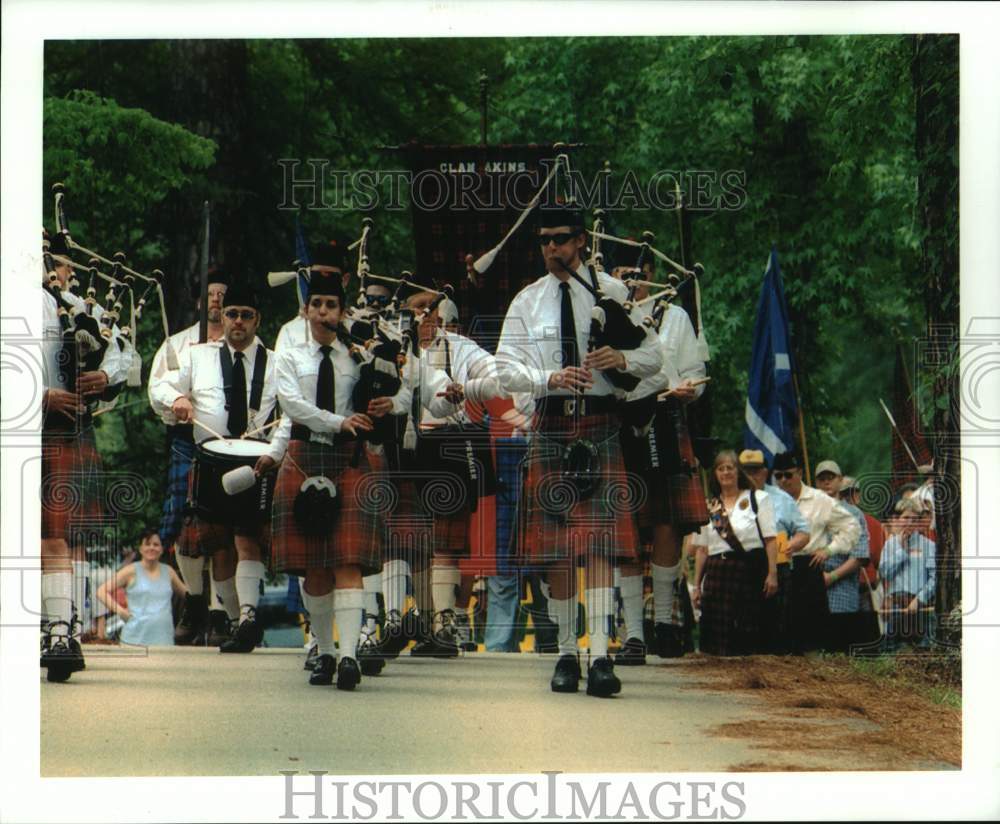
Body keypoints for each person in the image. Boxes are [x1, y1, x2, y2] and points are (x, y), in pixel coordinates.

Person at [495, 202, 662, 697]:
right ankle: (568, 653)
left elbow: (656, 359)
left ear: (581, 241)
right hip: (552, 422)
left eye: (562, 239)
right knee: (561, 554)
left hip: (601, 422)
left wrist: (623, 357)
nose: (552, 249)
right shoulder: (528, 301)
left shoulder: (611, 292)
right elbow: (503, 368)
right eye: (545, 240)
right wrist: (547, 377)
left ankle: (602, 657)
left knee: (602, 548)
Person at [268, 269, 413, 688]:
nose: (324, 313)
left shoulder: (360, 353)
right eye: (317, 305)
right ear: (306, 310)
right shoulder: (291, 355)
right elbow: (291, 405)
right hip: (304, 454)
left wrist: (391, 402)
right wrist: (338, 421)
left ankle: (349, 656)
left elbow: (405, 386)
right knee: (314, 565)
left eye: (332, 305)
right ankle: (326, 653)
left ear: (342, 311)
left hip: (349, 458)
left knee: (347, 561)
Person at [161, 283, 280, 653]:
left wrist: (277, 450)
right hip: (209, 455)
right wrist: (177, 397)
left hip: (257, 459)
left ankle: (246, 616)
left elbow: (291, 409)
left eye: (246, 315)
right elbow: (162, 385)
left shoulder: (277, 361)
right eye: (232, 314)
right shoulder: (198, 357)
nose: (238, 322)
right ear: (222, 317)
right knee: (216, 544)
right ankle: (231, 619)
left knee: (247, 539)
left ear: (257, 320)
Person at [40, 232, 129, 681]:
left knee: (58, 539)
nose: (65, 272)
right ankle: (56, 625)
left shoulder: (75, 307)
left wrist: (102, 374)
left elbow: (123, 355)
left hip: (61, 432)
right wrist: (40, 397)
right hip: (21, 426)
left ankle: (61, 629)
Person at [612, 262, 709, 665]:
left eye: (637, 269)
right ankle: (634, 633)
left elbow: (694, 373)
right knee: (625, 526)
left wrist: (689, 390)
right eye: (620, 269)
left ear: (650, 270)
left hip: (667, 419)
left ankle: (665, 622)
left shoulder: (675, 314)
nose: (630, 277)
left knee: (668, 522)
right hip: (617, 422)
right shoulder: (600, 313)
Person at [408, 286, 506, 656]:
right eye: (417, 309)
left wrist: (470, 387)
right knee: (411, 542)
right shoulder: (394, 345)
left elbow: (496, 375)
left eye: (431, 309)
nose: (425, 316)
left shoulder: (461, 348)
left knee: (446, 543)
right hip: (404, 448)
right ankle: (422, 620)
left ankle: (444, 624)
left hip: (449, 444)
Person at [148, 269, 229, 645]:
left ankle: (224, 612)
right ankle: (194, 604)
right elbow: (156, 389)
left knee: (229, 526)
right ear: (199, 301)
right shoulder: (177, 345)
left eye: (222, 295)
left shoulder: (241, 346)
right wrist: (176, 401)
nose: (216, 300)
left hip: (232, 443)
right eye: (210, 294)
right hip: (187, 441)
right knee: (184, 519)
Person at [690, 450, 778, 655]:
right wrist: (696, 586)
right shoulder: (709, 507)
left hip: (750, 571)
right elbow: (702, 549)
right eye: (721, 468)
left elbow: (771, 540)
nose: (726, 472)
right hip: (717, 573)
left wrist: (772, 573)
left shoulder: (758, 498)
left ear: (738, 472)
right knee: (717, 636)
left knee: (749, 629)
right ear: (715, 475)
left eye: (730, 467)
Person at [772, 452, 860, 653]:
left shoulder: (819, 499)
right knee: (781, 634)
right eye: (778, 476)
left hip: (807, 565)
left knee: (812, 635)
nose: (784, 480)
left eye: (788, 475)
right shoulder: (768, 500)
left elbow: (851, 527)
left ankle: (816, 680)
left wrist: (829, 550)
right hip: (777, 567)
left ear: (800, 473)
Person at [737, 449, 810, 653]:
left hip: (777, 564)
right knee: (747, 621)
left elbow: (804, 532)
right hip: (745, 565)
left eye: (756, 471)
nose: (752, 476)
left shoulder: (781, 498)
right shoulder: (733, 498)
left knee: (778, 621)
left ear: (765, 472)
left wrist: (788, 546)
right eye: (747, 471)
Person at [813, 460, 871, 653]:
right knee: (814, 649)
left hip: (842, 588)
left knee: (841, 651)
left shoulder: (854, 514)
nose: (827, 483)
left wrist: (832, 577)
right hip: (812, 587)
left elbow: (859, 556)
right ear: (816, 483)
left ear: (840, 481)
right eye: (822, 479)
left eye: (831, 478)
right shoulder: (807, 512)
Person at [96, 530, 189, 646]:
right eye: (147, 544)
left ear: (161, 549)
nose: (152, 548)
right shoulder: (130, 571)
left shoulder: (169, 572)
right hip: (134, 640)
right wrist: (120, 611)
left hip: (164, 640)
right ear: (140, 548)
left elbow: (188, 596)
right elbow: (101, 591)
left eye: (156, 545)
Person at [880, 498, 937, 650]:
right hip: (896, 608)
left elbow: (934, 578)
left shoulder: (929, 546)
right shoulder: (890, 544)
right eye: (905, 518)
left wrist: (919, 599)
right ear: (898, 519)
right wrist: (902, 551)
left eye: (914, 519)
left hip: (920, 608)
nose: (909, 523)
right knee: (893, 651)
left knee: (922, 651)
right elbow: (884, 574)